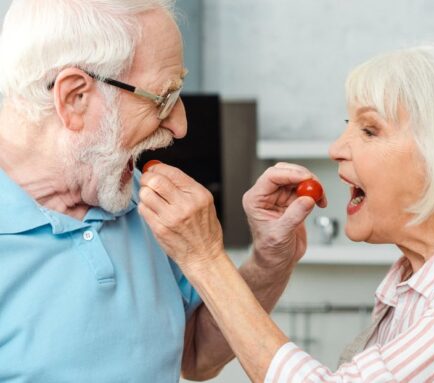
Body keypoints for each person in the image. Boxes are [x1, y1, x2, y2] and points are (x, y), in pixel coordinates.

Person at [0, 1, 325, 381]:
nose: (181, 125)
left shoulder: (143, 201)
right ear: (76, 97)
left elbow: (197, 354)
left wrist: (269, 261)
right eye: (164, 98)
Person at [140, 42, 434, 382]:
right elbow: (196, 358)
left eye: (370, 130)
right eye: (348, 128)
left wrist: (204, 257)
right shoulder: (416, 276)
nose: (336, 149)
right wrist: (269, 260)